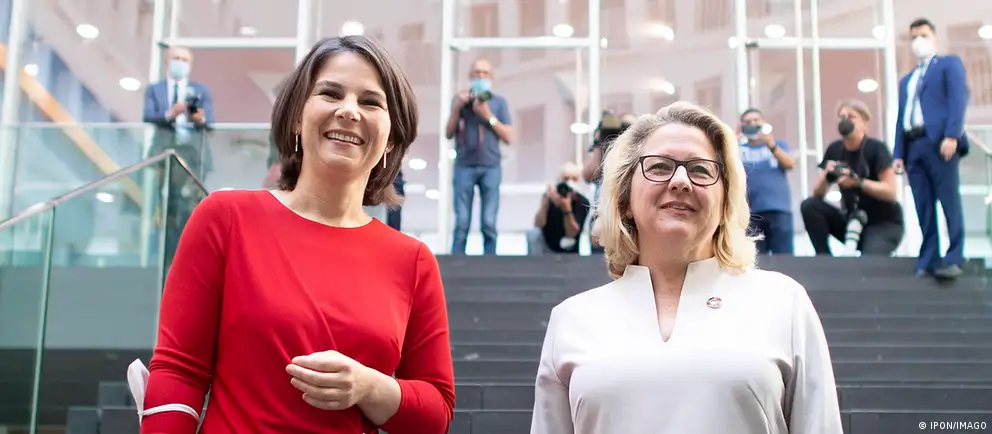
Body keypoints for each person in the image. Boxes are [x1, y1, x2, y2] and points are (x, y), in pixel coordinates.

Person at [136, 36, 455, 434]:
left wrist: (368, 386)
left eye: (370, 102)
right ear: (296, 119)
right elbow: (179, 370)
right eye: (330, 93)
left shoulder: (412, 260)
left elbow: (436, 412)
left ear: (391, 139)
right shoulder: (226, 218)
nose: (349, 110)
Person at [530, 102, 842, 434]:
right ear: (625, 197)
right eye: (659, 166)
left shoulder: (783, 303)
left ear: (725, 201)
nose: (681, 181)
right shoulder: (572, 319)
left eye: (701, 170)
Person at [892, 18, 970, 280]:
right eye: (913, 37)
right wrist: (898, 153)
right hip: (913, 146)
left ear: (934, 38)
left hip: (939, 143)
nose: (918, 41)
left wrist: (952, 135)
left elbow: (958, 100)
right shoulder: (907, 80)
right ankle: (929, 259)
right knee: (923, 206)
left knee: (949, 201)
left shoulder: (948, 64)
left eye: (923, 35)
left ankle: (955, 257)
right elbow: (901, 117)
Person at [801, 100, 903, 256]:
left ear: (864, 123)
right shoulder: (834, 150)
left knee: (868, 262)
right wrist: (827, 176)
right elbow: (817, 194)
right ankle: (824, 259)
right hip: (851, 221)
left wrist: (858, 183)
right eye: (842, 117)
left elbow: (891, 192)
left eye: (851, 116)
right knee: (810, 206)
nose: (845, 121)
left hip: (883, 224)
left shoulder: (877, 148)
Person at [445, 58, 513, 255]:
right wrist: (457, 109)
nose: (480, 76)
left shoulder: (499, 103)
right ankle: (456, 264)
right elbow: (448, 133)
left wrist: (487, 115)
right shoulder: (460, 101)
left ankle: (490, 264)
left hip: (491, 166)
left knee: (489, 222)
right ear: (470, 76)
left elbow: (509, 136)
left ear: (491, 77)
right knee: (461, 222)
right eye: (477, 72)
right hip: (464, 166)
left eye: (485, 73)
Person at [737, 108, 795, 255]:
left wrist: (771, 145)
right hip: (751, 214)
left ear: (764, 123)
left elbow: (790, 164)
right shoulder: (738, 150)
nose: (752, 124)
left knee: (784, 259)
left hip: (779, 210)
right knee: (755, 260)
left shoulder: (778, 145)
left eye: (756, 120)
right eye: (748, 122)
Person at [526, 163, 590, 255]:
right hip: (548, 246)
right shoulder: (549, 198)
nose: (569, 183)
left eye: (574, 179)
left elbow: (572, 233)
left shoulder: (582, 202)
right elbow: (538, 224)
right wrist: (546, 202)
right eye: (565, 179)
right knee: (533, 233)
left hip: (570, 249)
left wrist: (567, 210)